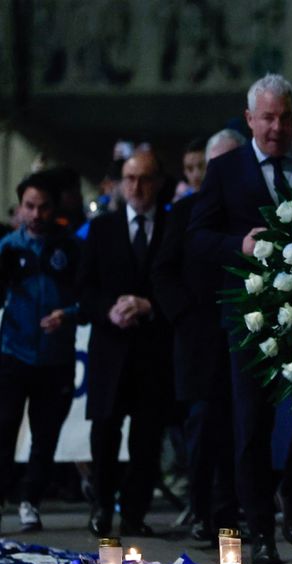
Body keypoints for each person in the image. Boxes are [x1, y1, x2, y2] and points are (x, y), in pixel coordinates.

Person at [187, 73, 292, 564]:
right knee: (251, 426)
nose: (277, 127)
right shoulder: (226, 169)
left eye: (285, 117)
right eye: (267, 117)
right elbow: (198, 236)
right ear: (250, 119)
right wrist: (240, 245)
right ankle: (261, 530)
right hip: (249, 315)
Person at [151, 129, 246, 544]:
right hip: (200, 337)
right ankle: (203, 510)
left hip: (242, 334)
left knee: (238, 429)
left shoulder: (249, 211)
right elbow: (162, 270)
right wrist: (186, 316)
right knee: (204, 429)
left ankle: (230, 512)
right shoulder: (185, 211)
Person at [78, 150, 172, 538]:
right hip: (110, 350)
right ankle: (102, 507)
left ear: (158, 182)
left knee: (147, 439)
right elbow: (84, 289)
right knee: (104, 434)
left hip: (153, 352)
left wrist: (150, 305)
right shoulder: (103, 229)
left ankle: (134, 513)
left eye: (145, 178)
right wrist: (108, 311)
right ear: (120, 182)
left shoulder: (172, 226)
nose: (137, 186)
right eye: (130, 178)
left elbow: (183, 283)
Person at [0, 172, 80, 533]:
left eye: (43, 207)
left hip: (56, 358)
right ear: (19, 208)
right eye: (29, 207)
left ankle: (30, 500)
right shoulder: (7, 247)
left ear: (54, 208)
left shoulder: (71, 248)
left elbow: (88, 296)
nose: (36, 214)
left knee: (45, 435)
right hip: (13, 354)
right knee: (4, 430)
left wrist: (68, 315)